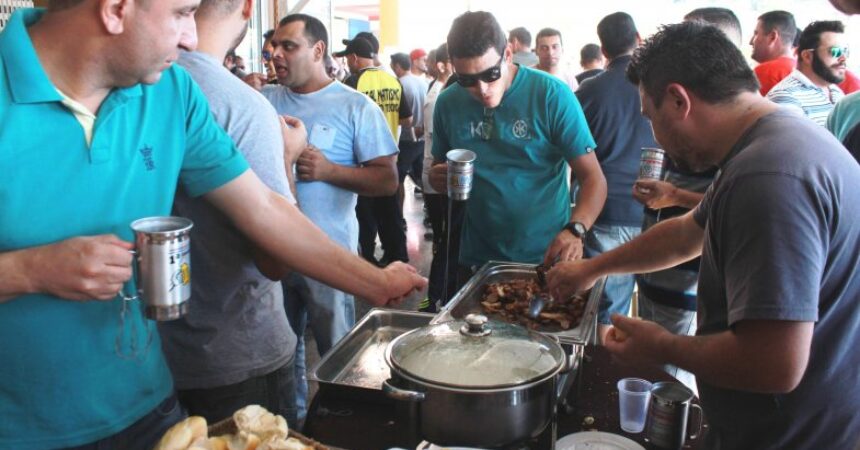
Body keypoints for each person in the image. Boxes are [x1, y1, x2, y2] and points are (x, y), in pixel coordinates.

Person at [0, 2, 426, 448]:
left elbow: (261, 207)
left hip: (149, 408)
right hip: (22, 428)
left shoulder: (171, 91)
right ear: (116, 10)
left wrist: (374, 283)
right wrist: (31, 270)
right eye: (183, 13)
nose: (190, 38)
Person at [547, 22, 860, 449]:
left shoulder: (768, 176)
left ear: (678, 100)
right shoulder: (772, 140)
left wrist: (663, 346)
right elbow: (684, 235)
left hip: (793, 436)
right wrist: (593, 269)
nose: (653, 133)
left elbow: (776, 364)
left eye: (650, 117)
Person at [158, 0, 302, 427]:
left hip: (153, 358)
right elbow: (275, 257)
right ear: (246, 7)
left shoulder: (143, 85)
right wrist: (288, 160)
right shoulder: (242, 105)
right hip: (238, 355)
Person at [260, 13, 400, 426]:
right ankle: (292, 427)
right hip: (272, 253)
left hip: (330, 257)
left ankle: (345, 427)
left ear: (318, 50)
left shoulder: (355, 105)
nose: (277, 55)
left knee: (340, 354)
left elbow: (387, 180)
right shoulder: (265, 101)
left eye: (289, 46)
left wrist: (329, 171)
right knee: (281, 354)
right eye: (274, 48)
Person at [429, 11, 607, 284]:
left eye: (491, 74)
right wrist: (436, 176)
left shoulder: (551, 95)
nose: (483, 89)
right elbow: (439, 167)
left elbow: (593, 178)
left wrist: (576, 229)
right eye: (467, 80)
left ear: (508, 54)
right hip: (476, 258)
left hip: (545, 257)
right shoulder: (448, 103)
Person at [575, 12, 653, 342]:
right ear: (638, 38)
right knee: (649, 311)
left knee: (607, 308)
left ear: (603, 50)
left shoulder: (589, 92)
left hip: (606, 213)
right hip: (656, 212)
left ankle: (599, 382)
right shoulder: (657, 86)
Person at [338, 36, 413, 266]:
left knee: (365, 214)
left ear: (353, 58)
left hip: (363, 161)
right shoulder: (393, 81)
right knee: (390, 212)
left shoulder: (352, 82)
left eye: (348, 59)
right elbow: (407, 120)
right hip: (390, 157)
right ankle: (397, 255)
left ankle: (366, 258)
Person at [767, 21, 847, 126]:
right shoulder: (786, 96)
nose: (843, 58)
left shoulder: (835, 91)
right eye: (835, 51)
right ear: (807, 56)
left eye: (845, 51)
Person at [749, 11, 798, 96]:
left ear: (772, 37)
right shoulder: (801, 71)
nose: (751, 41)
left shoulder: (765, 71)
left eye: (756, 34)